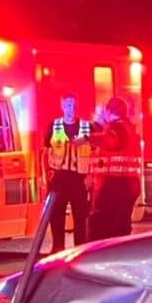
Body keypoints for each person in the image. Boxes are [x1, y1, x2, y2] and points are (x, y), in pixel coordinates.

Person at [42, 92, 94, 254]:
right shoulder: (54, 126)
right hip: (59, 177)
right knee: (56, 217)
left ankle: (80, 250)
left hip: (79, 179)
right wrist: (45, 177)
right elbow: (45, 152)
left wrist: (91, 177)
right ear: (62, 106)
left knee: (81, 218)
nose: (72, 108)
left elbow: (95, 154)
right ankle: (57, 249)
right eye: (68, 104)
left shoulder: (87, 127)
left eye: (74, 104)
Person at [87, 96, 142, 240]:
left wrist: (87, 138)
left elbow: (110, 141)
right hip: (129, 183)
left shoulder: (117, 127)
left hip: (115, 184)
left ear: (107, 111)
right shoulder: (129, 127)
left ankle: (99, 257)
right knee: (120, 226)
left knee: (101, 225)